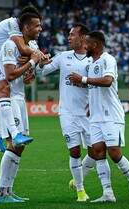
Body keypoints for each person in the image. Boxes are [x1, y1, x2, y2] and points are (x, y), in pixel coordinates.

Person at [69, 31, 129, 203]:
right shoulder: (90, 63)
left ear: (94, 45)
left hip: (111, 115)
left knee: (114, 153)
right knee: (98, 151)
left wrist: (83, 79)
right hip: (95, 116)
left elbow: (108, 81)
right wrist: (90, 104)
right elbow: (94, 87)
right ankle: (107, 193)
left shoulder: (108, 59)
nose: (84, 46)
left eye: (87, 44)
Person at [37, 23, 95, 202]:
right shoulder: (63, 56)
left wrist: (84, 82)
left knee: (96, 153)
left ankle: (78, 178)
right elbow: (42, 72)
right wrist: (41, 63)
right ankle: (80, 191)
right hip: (67, 113)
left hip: (88, 114)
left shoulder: (93, 60)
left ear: (83, 38)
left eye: (72, 35)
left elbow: (98, 85)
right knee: (75, 151)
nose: (69, 38)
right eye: (68, 35)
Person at [0, 5, 44, 147]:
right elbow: (23, 49)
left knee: (5, 91)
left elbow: (26, 55)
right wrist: (36, 56)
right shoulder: (11, 24)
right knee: (3, 88)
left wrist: (33, 61)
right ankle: (13, 134)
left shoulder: (27, 39)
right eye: (36, 25)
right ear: (25, 24)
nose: (40, 28)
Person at [0, 12, 43, 204]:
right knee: (14, 144)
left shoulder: (29, 47)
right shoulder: (9, 45)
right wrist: (32, 62)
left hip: (19, 98)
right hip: (8, 99)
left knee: (19, 146)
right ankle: (1, 193)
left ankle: (8, 191)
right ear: (25, 28)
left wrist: (30, 73)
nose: (40, 29)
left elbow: (23, 77)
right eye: (37, 25)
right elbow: (10, 74)